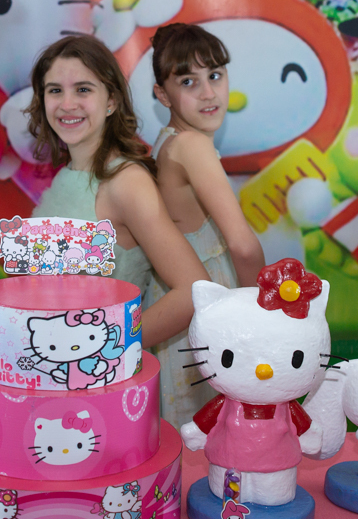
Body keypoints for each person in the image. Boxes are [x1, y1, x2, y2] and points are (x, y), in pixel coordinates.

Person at [26, 35, 209, 349]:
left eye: (83, 89)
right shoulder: (68, 174)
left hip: (97, 372)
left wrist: (106, 350)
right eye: (55, 90)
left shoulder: (126, 181)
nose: (67, 104)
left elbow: (193, 290)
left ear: (111, 101)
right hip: (49, 359)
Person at [146, 23, 266, 427]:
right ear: (162, 94)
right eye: (188, 81)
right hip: (208, 310)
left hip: (186, 306)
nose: (208, 92)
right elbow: (243, 246)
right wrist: (262, 311)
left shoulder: (169, 140)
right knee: (212, 434)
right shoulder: (193, 146)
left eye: (214, 75)